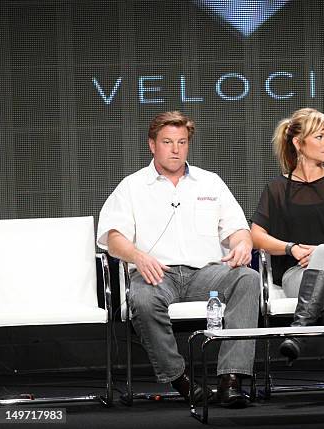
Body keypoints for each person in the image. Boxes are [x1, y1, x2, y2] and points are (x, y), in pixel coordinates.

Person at [97, 111, 259, 408]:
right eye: (168, 142)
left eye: (182, 142)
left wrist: (242, 245)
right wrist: (138, 256)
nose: (175, 149)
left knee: (248, 278)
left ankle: (231, 380)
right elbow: (113, 237)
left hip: (206, 274)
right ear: (152, 145)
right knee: (143, 301)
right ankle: (181, 380)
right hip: (157, 272)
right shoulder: (132, 186)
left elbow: (237, 228)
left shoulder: (210, 182)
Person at [251, 108, 324, 403]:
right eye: (320, 136)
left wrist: (323, 252)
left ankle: (299, 332)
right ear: (298, 143)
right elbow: (256, 236)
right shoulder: (277, 189)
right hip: (298, 275)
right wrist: (290, 248)